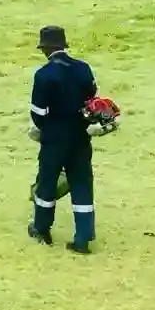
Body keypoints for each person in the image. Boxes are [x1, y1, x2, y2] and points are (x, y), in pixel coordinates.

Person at [27, 26, 99, 254]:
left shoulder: (43, 74)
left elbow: (37, 113)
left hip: (54, 140)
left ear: (45, 48)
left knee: (47, 184)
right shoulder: (83, 69)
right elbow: (93, 102)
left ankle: (41, 229)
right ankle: (83, 238)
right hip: (80, 136)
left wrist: (43, 130)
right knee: (81, 184)